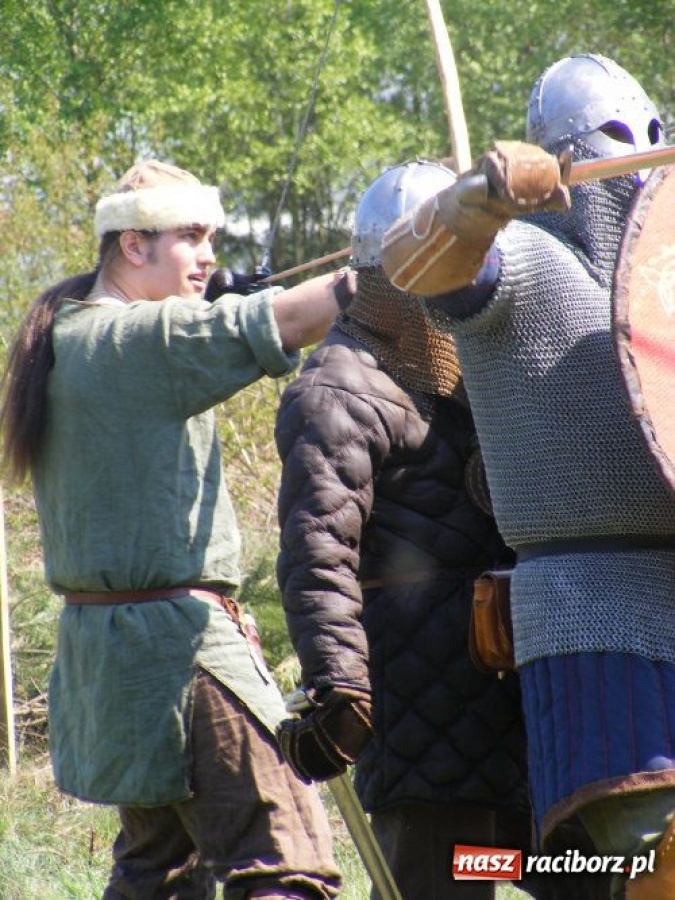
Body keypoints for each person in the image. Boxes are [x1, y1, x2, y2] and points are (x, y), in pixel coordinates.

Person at [0, 158, 357, 899]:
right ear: (133, 246)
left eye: (212, 236)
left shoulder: (70, 334)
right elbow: (289, 319)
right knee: (282, 863)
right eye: (189, 236)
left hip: (114, 665)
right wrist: (392, 261)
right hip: (179, 652)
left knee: (159, 875)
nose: (208, 254)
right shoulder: (134, 339)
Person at [379, 54, 675, 899]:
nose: (643, 158)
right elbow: (421, 268)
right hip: (595, 612)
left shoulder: (661, 283)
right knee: (646, 863)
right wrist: (476, 201)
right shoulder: (526, 268)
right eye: (622, 143)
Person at [273, 159, 544, 900]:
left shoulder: (474, 370)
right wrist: (339, 685)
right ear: (389, 272)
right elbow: (316, 550)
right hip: (419, 716)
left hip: (510, 701)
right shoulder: (334, 387)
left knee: (586, 871)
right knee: (444, 884)